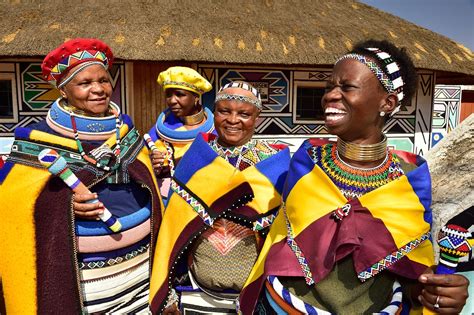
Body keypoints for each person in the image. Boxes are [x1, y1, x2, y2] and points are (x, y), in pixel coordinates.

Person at [240, 40, 469, 314]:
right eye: (329, 88)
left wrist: (435, 293)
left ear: (388, 102)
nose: (330, 96)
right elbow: (281, 240)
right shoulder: (307, 161)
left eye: (347, 87)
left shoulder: (410, 179)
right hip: (280, 306)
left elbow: (411, 272)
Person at [0, 38, 162, 314]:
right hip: (84, 280)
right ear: (63, 90)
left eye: (104, 80)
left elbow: (142, 179)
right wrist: (64, 205)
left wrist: (152, 171)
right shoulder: (38, 142)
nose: (98, 89)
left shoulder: (125, 129)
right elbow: (13, 204)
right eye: (84, 83)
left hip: (141, 270)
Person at [148, 82, 291, 314]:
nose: (233, 120)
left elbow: (283, 234)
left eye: (244, 114)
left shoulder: (274, 164)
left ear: (257, 118)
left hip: (256, 294)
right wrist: (170, 291)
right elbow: (174, 228)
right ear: (215, 113)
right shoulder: (197, 158)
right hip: (197, 291)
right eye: (225, 111)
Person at [146, 66, 214, 203]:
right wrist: (153, 164)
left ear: (196, 97)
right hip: (169, 200)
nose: (172, 100)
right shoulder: (157, 133)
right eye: (168, 95)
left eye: (180, 94)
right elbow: (144, 170)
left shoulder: (216, 130)